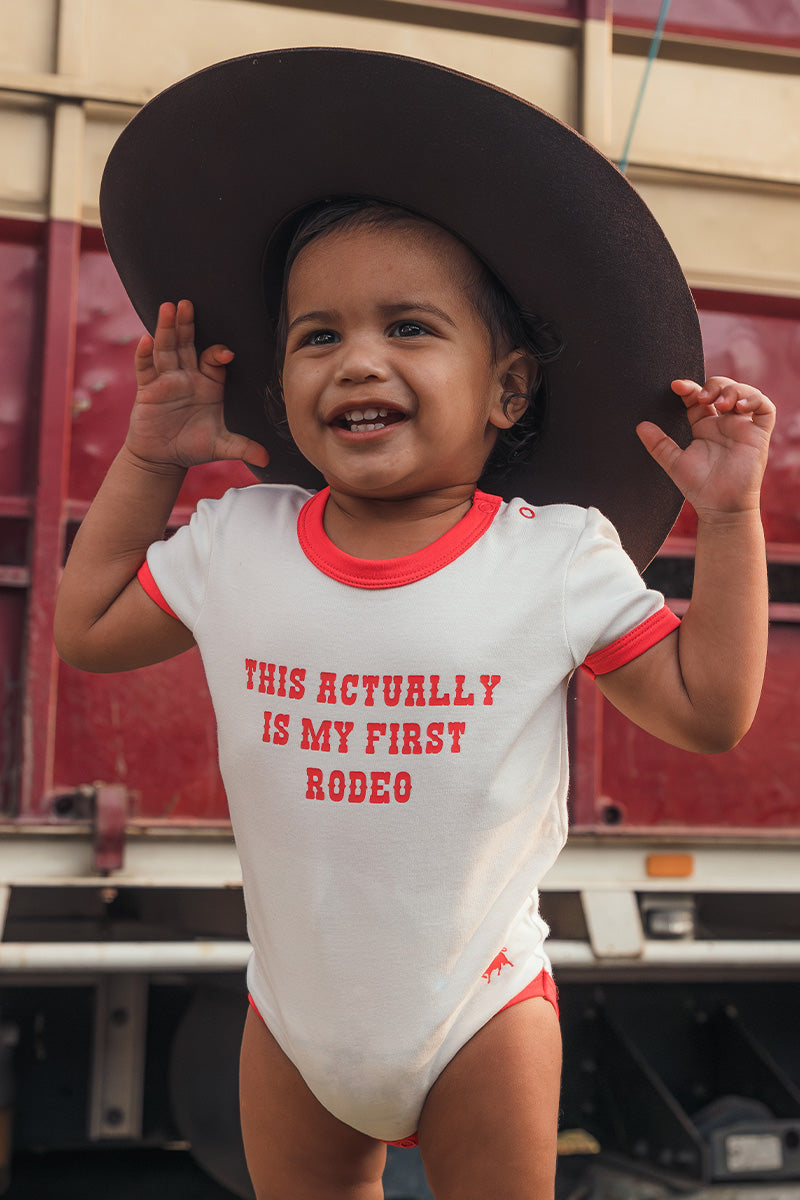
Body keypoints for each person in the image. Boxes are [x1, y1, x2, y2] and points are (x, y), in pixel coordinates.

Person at [53, 51, 774, 1200]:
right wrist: (147, 459)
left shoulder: (547, 556)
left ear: (507, 389)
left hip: (477, 1010)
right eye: (317, 336)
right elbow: (86, 626)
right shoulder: (241, 541)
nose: (359, 360)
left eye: (409, 327)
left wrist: (727, 518)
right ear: (282, 384)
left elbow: (706, 711)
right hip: (292, 1020)